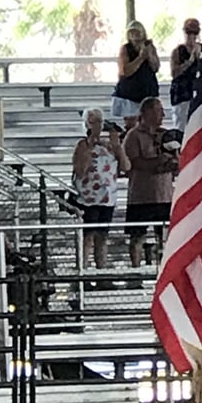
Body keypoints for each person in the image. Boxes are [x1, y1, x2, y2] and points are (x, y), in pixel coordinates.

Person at [72, 107, 130, 277]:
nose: (98, 125)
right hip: (88, 198)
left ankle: (102, 274)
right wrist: (91, 144)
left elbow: (126, 167)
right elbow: (80, 170)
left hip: (107, 198)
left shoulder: (110, 146)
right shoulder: (83, 145)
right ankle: (82, 274)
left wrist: (117, 146)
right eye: (93, 122)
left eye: (100, 121)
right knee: (88, 237)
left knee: (102, 237)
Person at [124, 96, 178, 271]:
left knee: (164, 236)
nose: (162, 114)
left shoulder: (166, 135)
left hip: (164, 194)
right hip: (141, 196)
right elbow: (134, 163)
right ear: (146, 112)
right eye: (157, 110)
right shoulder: (133, 135)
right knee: (137, 236)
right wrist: (158, 162)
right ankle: (136, 273)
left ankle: (164, 271)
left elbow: (177, 159)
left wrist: (173, 163)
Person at [111, 21, 160, 121]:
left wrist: (149, 55)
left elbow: (156, 67)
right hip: (130, 94)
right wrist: (140, 58)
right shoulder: (125, 49)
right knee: (131, 123)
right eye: (132, 32)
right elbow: (125, 71)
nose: (135, 35)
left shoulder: (149, 47)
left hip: (147, 91)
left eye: (137, 32)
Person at [169, 17, 202, 132]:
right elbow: (174, 73)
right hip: (182, 94)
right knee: (182, 128)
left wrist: (200, 57)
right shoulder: (178, 51)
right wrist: (189, 62)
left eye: (194, 32)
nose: (191, 35)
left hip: (198, 94)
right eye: (189, 32)